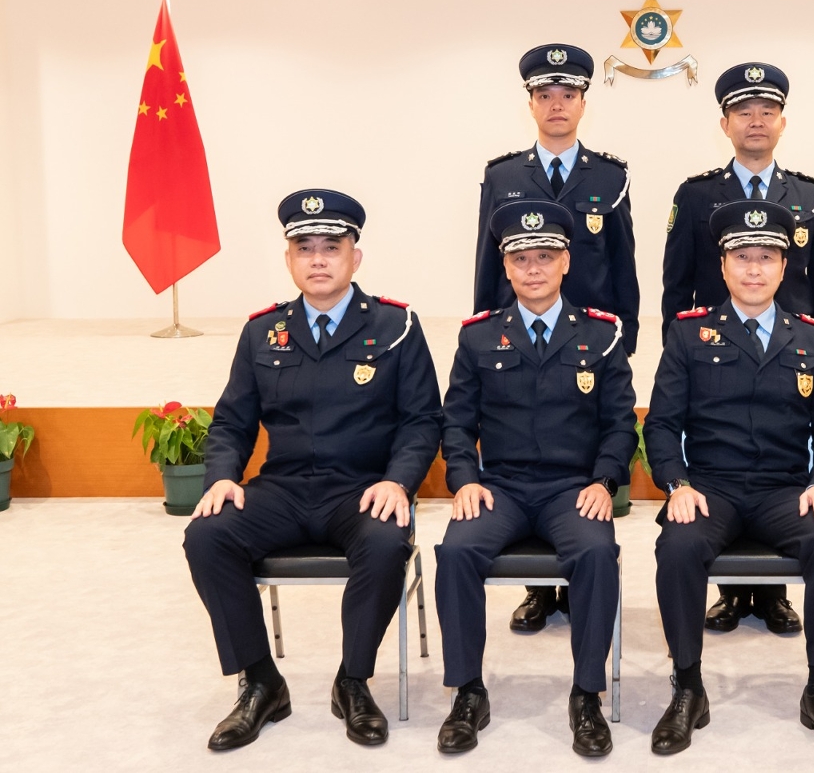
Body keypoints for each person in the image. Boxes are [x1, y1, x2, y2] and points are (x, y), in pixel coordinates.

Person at [183, 189, 443, 750]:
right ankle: (261, 681)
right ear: (289, 260)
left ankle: (353, 681)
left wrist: (398, 481)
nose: (318, 259)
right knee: (206, 536)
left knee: (385, 542)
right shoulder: (263, 331)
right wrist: (222, 476)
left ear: (355, 257)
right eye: (305, 248)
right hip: (283, 488)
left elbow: (422, 420)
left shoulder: (395, 326)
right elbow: (232, 421)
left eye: (331, 247)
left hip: (362, 489)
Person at [645, 200, 814, 759]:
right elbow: (662, 425)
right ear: (722, 266)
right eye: (742, 257)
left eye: (766, 257)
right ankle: (687, 687)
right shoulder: (689, 335)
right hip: (710, 488)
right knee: (677, 545)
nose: (754, 269)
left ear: (785, 267)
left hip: (783, 490)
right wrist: (676, 485)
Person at [434, 199, 637, 758]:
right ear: (505, 266)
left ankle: (586, 695)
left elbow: (620, 423)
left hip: (572, 490)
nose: (533, 268)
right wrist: (465, 479)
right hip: (499, 488)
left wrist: (604, 481)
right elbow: (456, 422)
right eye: (520, 258)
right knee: (456, 551)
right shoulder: (478, 338)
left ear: (566, 261)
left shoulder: (601, 335)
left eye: (545, 256)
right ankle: (467, 692)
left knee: (596, 553)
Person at [661, 62, 814, 637]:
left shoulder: (810, 196)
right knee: (722, 464)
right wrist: (682, 356)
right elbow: (676, 287)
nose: (757, 121)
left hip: (792, 355)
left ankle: (771, 597)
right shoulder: (696, 196)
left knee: (778, 461)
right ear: (726, 124)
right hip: (714, 352)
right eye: (744, 112)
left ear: (783, 122)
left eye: (768, 111)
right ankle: (731, 593)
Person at [475, 43, 641, 632]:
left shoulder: (610, 176)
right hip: (519, 342)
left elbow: (623, 264)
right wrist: (486, 335)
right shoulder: (503, 176)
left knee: (582, 457)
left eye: (567, 95)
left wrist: (624, 340)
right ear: (531, 104)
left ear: (583, 103)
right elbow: (488, 266)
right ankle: (540, 592)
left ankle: (579, 578)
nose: (556, 105)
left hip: (590, 346)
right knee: (524, 449)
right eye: (545, 95)